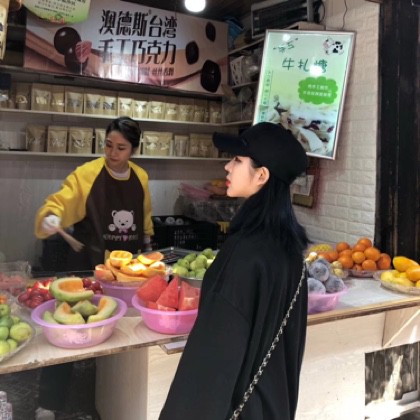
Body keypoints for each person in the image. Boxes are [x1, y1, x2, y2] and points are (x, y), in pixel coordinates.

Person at [160, 122, 309, 420]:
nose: (227, 167)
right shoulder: (291, 251)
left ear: (262, 175)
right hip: (274, 404)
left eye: (238, 160)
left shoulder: (244, 253)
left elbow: (212, 359)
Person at [34, 116, 154, 420]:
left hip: (125, 272)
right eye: (108, 145)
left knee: (123, 336)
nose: (112, 153)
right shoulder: (87, 174)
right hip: (86, 267)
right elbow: (63, 200)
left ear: (134, 150)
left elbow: (145, 218)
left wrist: (148, 248)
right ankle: (49, 402)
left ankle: (116, 399)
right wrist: (52, 214)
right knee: (68, 333)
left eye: (121, 148)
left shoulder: (140, 176)